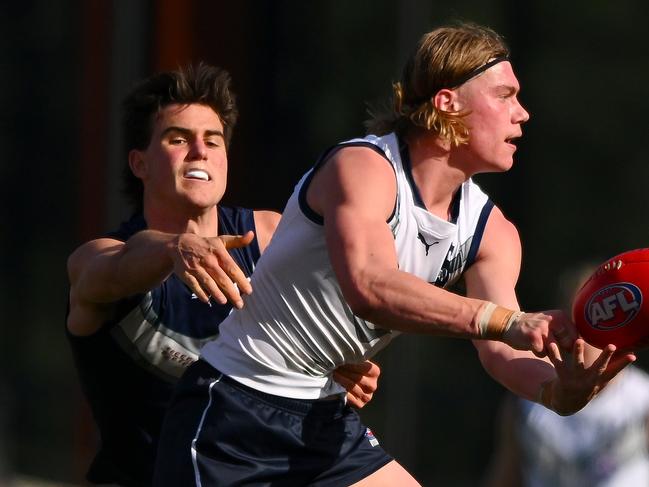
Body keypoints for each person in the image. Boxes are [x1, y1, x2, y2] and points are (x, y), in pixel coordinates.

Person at [153, 24, 635, 486]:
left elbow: (500, 351)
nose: (522, 113)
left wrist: (557, 392)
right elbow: (370, 287)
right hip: (233, 409)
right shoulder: (363, 167)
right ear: (449, 102)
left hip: (325, 417)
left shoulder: (493, 232)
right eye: (505, 95)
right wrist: (505, 320)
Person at [66, 64, 380, 487]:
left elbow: (354, 301)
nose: (199, 151)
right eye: (178, 139)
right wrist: (175, 248)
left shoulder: (272, 237)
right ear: (139, 163)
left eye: (212, 141)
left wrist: (335, 366)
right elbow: (103, 271)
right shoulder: (102, 258)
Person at [483, 265, 649, 487]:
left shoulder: (641, 398)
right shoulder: (527, 403)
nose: (583, 337)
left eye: (597, 321)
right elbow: (505, 477)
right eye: (577, 323)